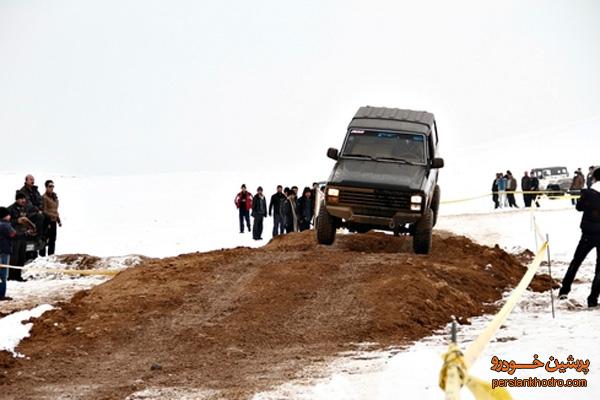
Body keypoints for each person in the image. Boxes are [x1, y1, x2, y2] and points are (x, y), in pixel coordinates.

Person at [558, 168, 600, 308]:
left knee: (576, 262)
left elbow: (579, 207)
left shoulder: (588, 193)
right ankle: (593, 299)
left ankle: (564, 291)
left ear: (594, 178)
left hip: (588, 234)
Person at [7, 193, 36, 281]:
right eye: (21, 199)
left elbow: (26, 220)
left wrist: (30, 229)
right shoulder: (10, 209)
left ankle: (18, 276)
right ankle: (11, 277)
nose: (23, 200)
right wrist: (16, 221)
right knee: (14, 258)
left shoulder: (24, 208)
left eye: (24, 199)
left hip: (23, 235)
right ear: (16, 199)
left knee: (21, 257)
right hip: (14, 236)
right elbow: (6, 222)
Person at [17, 174, 46, 241]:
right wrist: (37, 210)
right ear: (26, 181)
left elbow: (40, 200)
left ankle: (42, 235)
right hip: (28, 213)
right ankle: (37, 236)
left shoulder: (35, 190)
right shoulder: (23, 191)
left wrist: (40, 208)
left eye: (33, 180)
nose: (32, 181)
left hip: (36, 211)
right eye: (31, 180)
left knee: (47, 217)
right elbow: (28, 204)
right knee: (40, 216)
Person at [0, 207, 19, 301]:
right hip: (4, 251)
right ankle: (1, 295)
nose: (10, 216)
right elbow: (13, 234)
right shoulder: (5, 225)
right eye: (8, 214)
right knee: (3, 274)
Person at [42, 180, 62, 256]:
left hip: (54, 221)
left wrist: (58, 219)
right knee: (45, 239)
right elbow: (44, 210)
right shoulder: (44, 197)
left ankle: (51, 255)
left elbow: (55, 210)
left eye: (53, 186)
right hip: (47, 221)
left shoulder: (55, 197)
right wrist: (53, 215)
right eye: (50, 186)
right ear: (46, 187)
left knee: (53, 239)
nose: (52, 188)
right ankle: (42, 256)